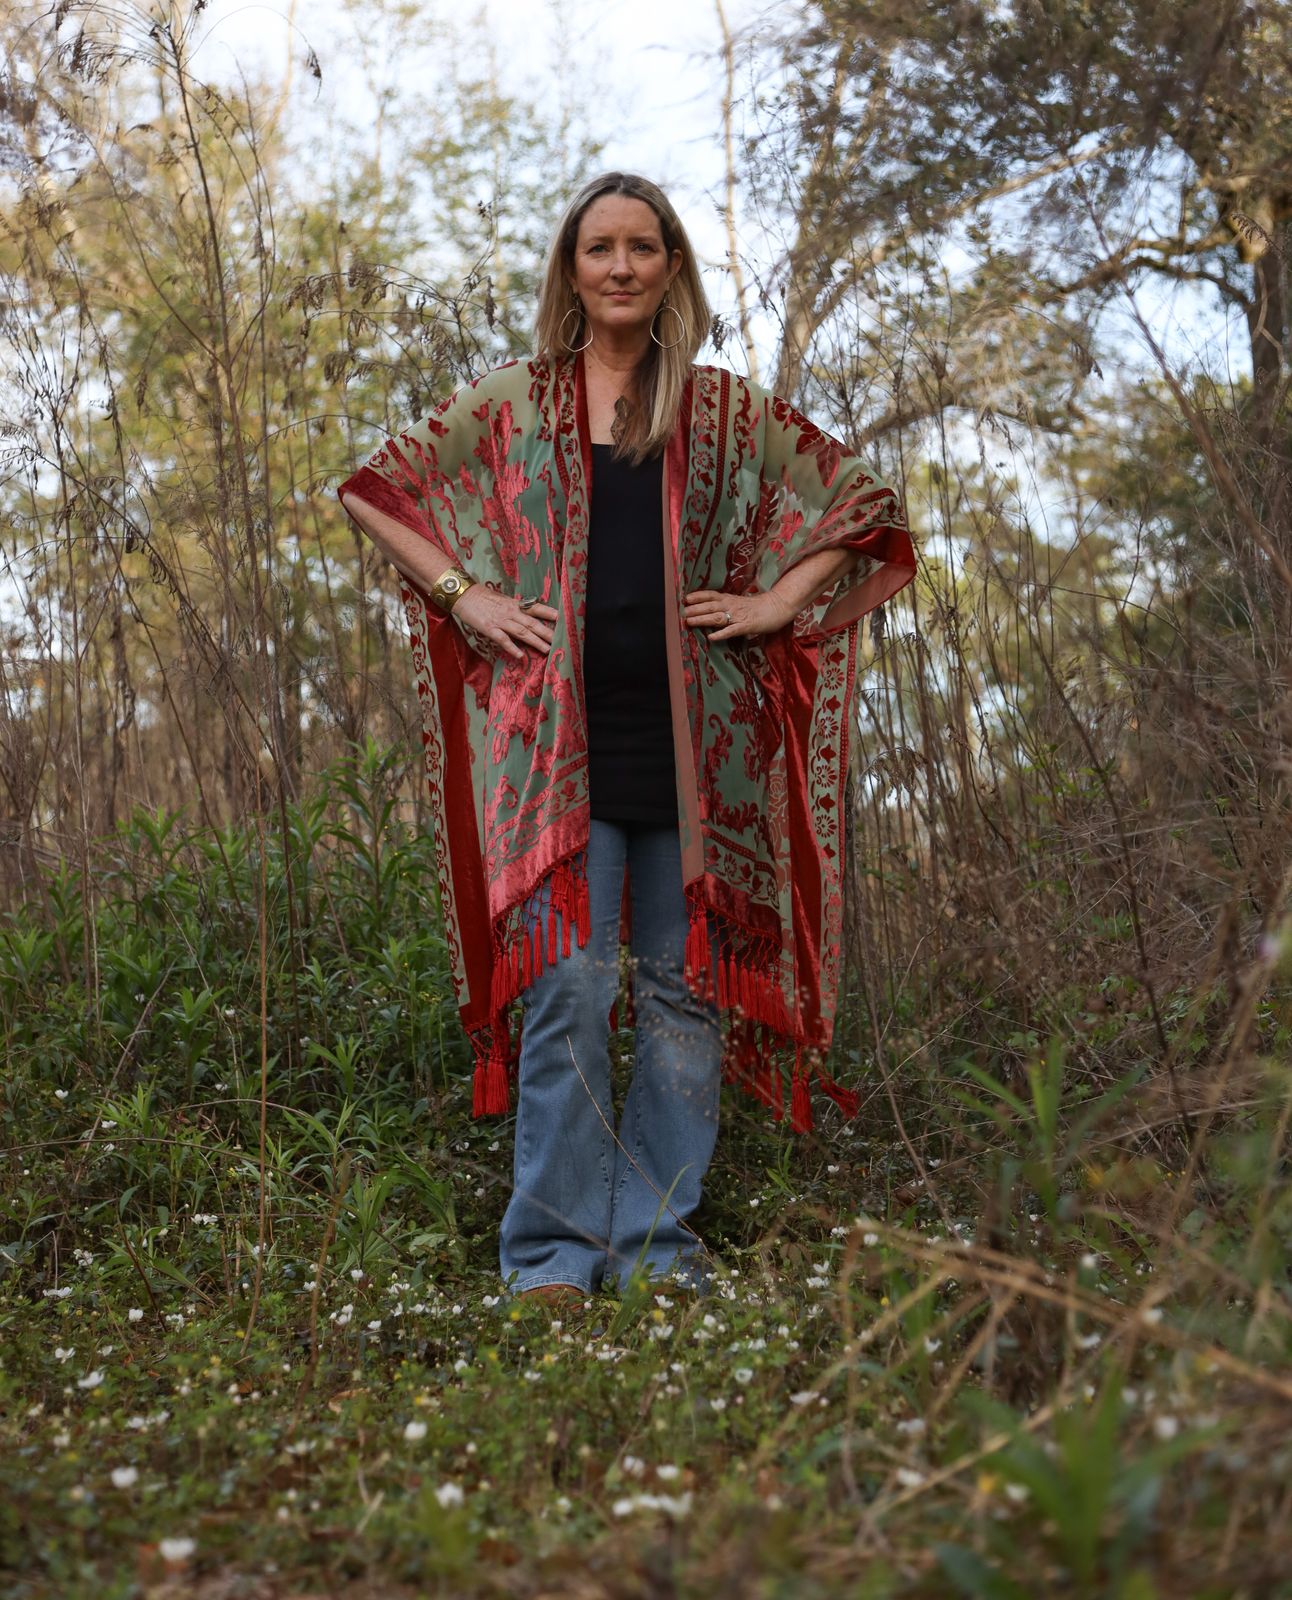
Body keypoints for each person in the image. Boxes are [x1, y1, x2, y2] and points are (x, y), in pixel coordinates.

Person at [337, 172, 915, 1307]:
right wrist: (464, 595)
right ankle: (551, 1257)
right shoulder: (514, 401)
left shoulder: (724, 409)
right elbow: (374, 491)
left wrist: (772, 603)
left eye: (640, 247)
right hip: (556, 751)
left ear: (669, 267)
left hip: (697, 754)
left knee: (682, 997)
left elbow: (859, 502)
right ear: (571, 267)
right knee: (567, 990)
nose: (619, 267)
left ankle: (655, 1249)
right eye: (597, 248)